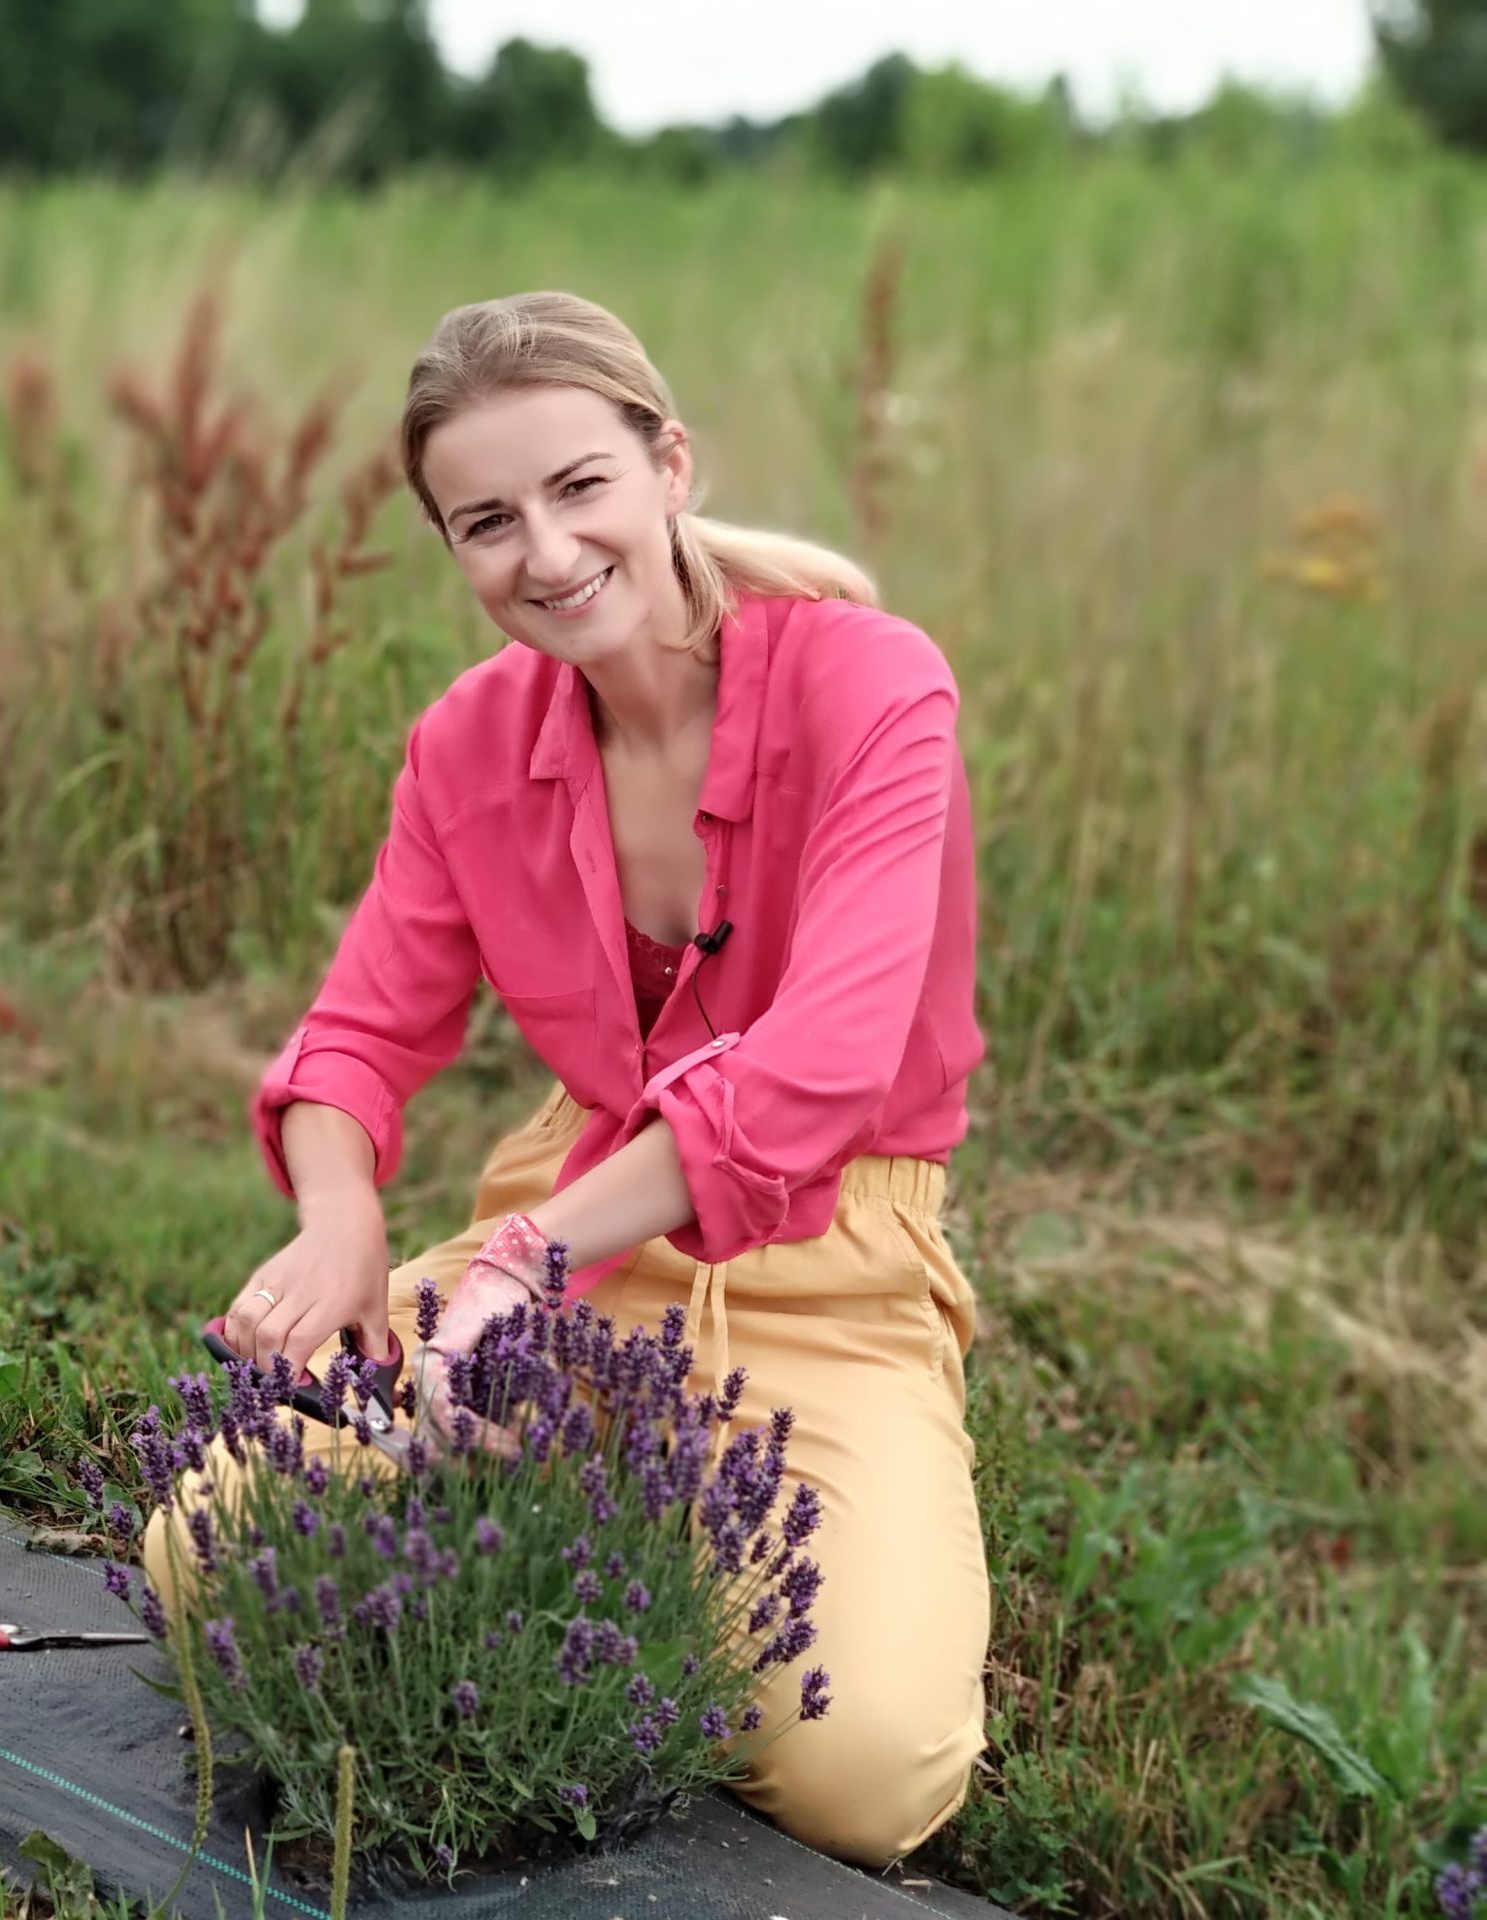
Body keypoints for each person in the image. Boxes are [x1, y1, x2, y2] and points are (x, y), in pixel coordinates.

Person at [139, 290, 989, 1871]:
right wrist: (340, 1219)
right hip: (561, 1239)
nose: (544, 552)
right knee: (207, 1542)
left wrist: (524, 1263)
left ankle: (575, 1539)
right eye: (487, 522)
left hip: (830, 1261)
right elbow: (357, 1035)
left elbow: (822, 1070)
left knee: (868, 1774)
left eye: (579, 486)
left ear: (670, 465)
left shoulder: (872, 685)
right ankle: (573, 1547)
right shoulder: (467, 742)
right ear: (452, 547)